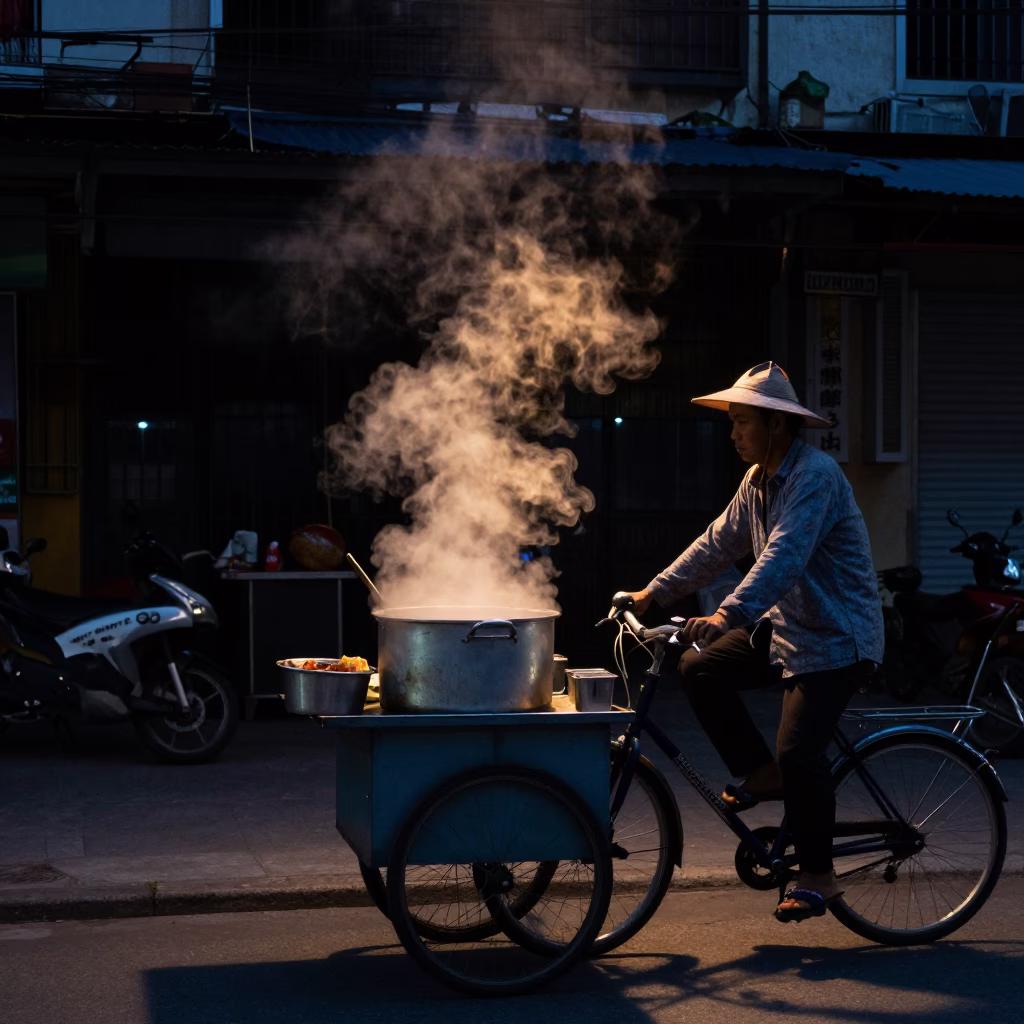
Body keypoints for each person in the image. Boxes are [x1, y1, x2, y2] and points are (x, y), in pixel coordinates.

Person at [624, 361, 884, 924]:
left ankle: (819, 875)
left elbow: (783, 556)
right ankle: (763, 774)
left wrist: (726, 613)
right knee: (700, 669)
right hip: (789, 630)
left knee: (800, 752)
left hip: (839, 638)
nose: (734, 432)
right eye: (733, 422)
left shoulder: (814, 475)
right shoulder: (757, 481)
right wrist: (653, 593)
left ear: (777, 425)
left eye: (743, 422)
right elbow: (717, 543)